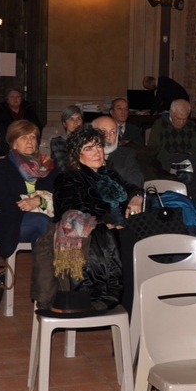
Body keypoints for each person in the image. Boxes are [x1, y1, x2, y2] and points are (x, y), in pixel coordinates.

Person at [50, 126, 144, 311]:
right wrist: (105, 223)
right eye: (89, 148)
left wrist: (136, 197)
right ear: (76, 155)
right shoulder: (69, 177)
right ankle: (131, 317)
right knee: (129, 240)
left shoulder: (109, 174)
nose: (97, 152)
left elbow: (132, 188)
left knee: (162, 231)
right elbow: (71, 211)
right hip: (98, 233)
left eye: (99, 146)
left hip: (124, 225)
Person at [0, 120, 56, 260]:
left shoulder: (48, 166)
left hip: (44, 218)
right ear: (13, 143)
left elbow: (57, 194)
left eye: (32, 137)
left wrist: (38, 200)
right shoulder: (1, 166)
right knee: (44, 223)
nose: (29, 141)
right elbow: (4, 202)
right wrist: (29, 203)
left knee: (41, 237)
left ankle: (44, 279)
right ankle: (56, 279)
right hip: (10, 220)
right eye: (23, 137)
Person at [147, 99, 196, 176]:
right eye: (178, 118)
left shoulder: (192, 127)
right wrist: (173, 155)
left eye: (185, 119)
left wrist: (183, 155)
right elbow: (153, 148)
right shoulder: (160, 125)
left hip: (188, 162)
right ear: (171, 113)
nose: (181, 122)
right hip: (165, 162)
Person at [92, 116, 144, 189]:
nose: (108, 137)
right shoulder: (81, 155)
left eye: (113, 132)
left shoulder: (126, 155)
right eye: (103, 132)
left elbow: (136, 181)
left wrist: (135, 196)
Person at [49, 105, 84, 174]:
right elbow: (63, 168)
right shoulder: (57, 142)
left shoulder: (86, 141)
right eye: (71, 119)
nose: (76, 122)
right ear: (64, 124)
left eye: (79, 118)